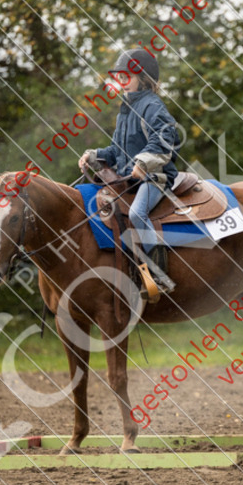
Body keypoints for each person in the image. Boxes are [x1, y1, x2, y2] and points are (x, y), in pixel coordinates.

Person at [79, 48, 180, 299]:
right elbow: (116, 150)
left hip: (155, 177)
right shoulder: (125, 108)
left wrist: (144, 162)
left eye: (127, 77)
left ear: (143, 79)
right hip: (129, 179)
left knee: (136, 213)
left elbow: (167, 138)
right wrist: (93, 156)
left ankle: (159, 276)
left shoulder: (153, 105)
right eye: (119, 77)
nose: (121, 82)